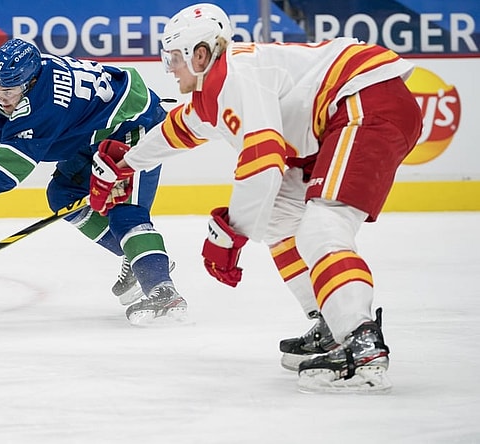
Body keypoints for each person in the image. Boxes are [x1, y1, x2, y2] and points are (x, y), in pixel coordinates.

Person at [89, 3, 422, 392]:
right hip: (342, 114)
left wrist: (233, 231)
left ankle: (360, 342)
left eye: (174, 58)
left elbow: (264, 162)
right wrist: (125, 163)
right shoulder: (215, 90)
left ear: (200, 54)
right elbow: (177, 131)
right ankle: (331, 322)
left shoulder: (237, 75)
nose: (169, 68)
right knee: (281, 217)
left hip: (365, 101)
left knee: (322, 228)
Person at [0, 38, 187, 326]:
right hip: (97, 132)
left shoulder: (46, 105)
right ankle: (137, 255)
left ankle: (162, 287)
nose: (1, 96)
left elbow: (8, 171)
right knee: (63, 194)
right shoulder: (28, 76)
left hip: (137, 130)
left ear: (28, 84)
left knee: (126, 212)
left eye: (8, 90)